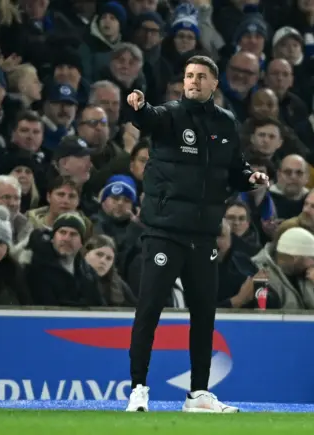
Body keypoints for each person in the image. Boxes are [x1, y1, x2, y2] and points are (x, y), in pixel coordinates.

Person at [124, 55, 269, 413]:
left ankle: (198, 394)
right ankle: (139, 389)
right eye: (189, 75)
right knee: (149, 311)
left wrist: (250, 178)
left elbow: (234, 169)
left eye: (201, 76)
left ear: (214, 83)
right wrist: (138, 108)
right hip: (165, 232)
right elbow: (149, 118)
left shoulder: (226, 122)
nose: (194, 81)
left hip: (204, 236)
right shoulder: (171, 115)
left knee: (204, 315)